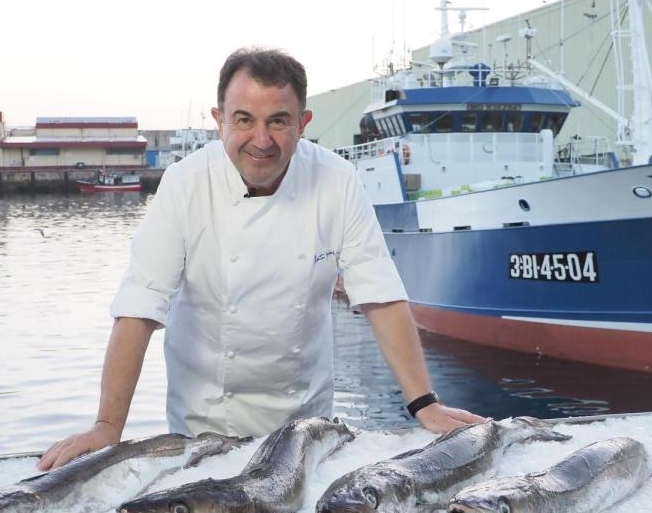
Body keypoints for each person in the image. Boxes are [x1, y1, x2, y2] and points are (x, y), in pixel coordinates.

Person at [37, 47, 484, 471]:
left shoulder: (337, 180)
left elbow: (380, 295)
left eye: (279, 121)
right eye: (244, 120)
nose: (262, 140)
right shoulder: (185, 184)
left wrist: (425, 404)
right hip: (204, 423)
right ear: (219, 120)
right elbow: (140, 305)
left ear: (303, 122)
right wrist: (107, 426)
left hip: (305, 425)